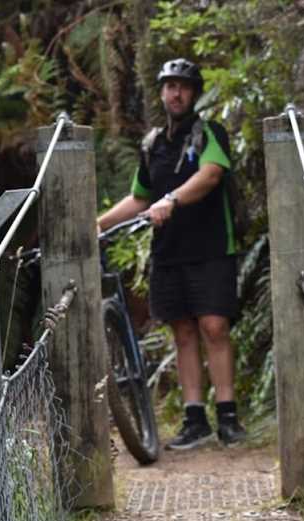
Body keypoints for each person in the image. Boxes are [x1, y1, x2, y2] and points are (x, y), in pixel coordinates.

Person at [97, 58, 246, 450]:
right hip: (168, 252)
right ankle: (194, 418)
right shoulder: (152, 144)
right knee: (182, 332)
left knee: (214, 326)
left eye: (183, 86)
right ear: (161, 92)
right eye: (169, 86)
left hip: (212, 246)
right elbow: (138, 197)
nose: (175, 93)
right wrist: (99, 224)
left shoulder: (208, 133)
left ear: (193, 93)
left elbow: (211, 174)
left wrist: (171, 200)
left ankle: (228, 416)